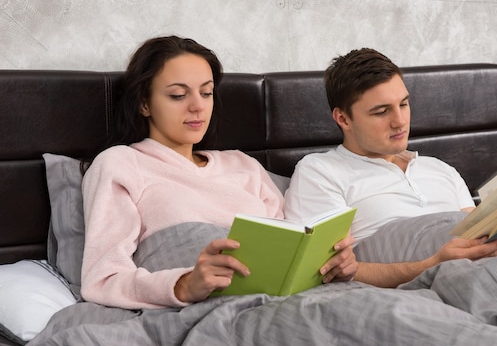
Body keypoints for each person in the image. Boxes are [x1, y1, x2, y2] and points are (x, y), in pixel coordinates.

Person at [79, 36, 357, 310]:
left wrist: (329, 265)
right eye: (178, 94)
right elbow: (103, 278)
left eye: (206, 92)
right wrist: (184, 284)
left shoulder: (243, 165)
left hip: (286, 302)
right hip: (210, 308)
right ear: (144, 103)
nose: (197, 106)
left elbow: (289, 248)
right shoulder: (121, 164)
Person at [284, 48, 497, 288]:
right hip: (425, 286)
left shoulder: (441, 169)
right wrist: (433, 265)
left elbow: (479, 234)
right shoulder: (321, 172)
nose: (400, 121)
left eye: (404, 104)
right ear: (343, 119)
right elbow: (328, 271)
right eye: (382, 111)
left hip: (490, 272)